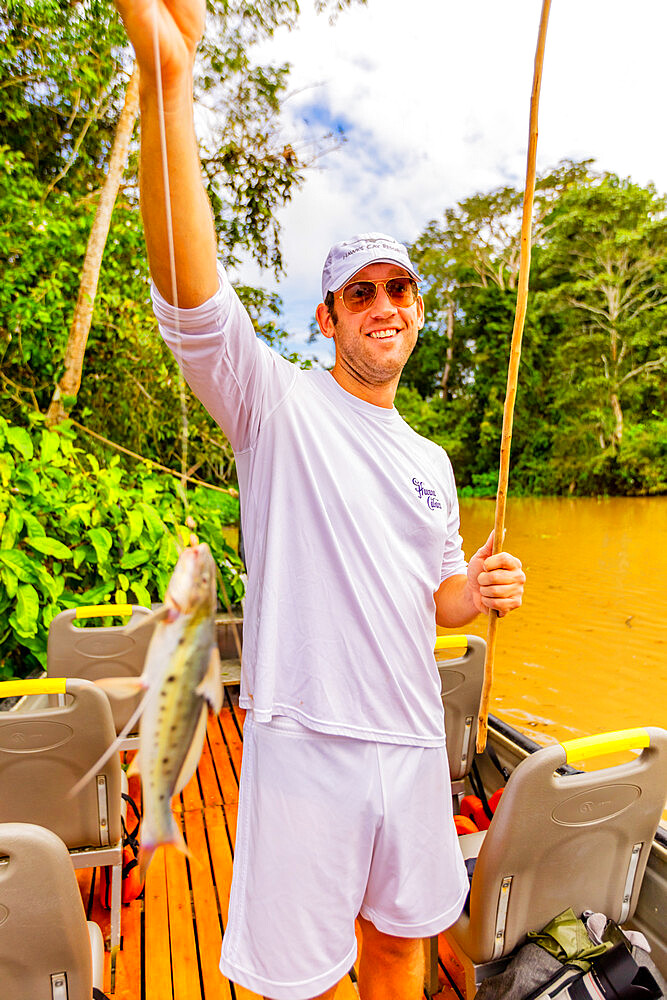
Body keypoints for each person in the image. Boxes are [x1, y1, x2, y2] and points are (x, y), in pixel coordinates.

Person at [113, 2, 526, 998]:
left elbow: (438, 602)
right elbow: (191, 300)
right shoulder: (274, 407)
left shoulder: (430, 459)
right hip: (305, 746)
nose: (385, 305)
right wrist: (171, 84)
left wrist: (477, 587)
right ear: (328, 314)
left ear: (417, 311)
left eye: (401, 290)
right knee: (293, 978)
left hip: (412, 740)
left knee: (399, 947)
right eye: (362, 292)